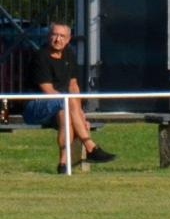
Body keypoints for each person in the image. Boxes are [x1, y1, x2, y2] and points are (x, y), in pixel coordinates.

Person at [24, 22, 115, 174]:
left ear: (68, 39)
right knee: (67, 100)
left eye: (62, 36)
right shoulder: (40, 57)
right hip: (34, 107)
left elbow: (74, 86)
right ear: (49, 36)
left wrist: (79, 114)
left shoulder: (69, 54)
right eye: (55, 35)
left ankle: (63, 164)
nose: (58, 39)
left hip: (60, 106)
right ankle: (91, 147)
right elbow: (48, 91)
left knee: (65, 115)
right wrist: (75, 108)